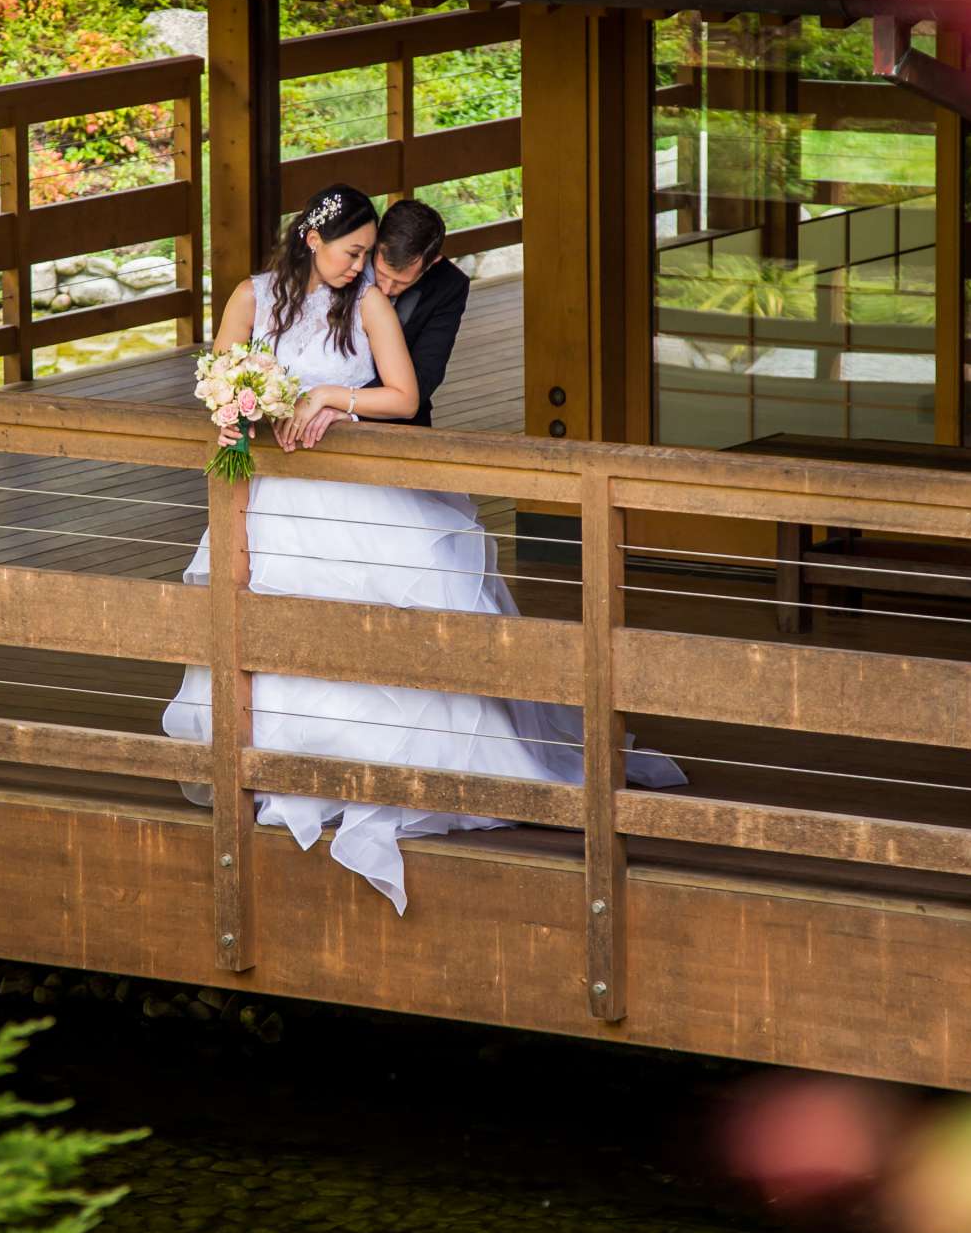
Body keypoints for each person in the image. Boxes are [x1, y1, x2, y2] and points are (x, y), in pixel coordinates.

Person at [161, 182, 685, 911]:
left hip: (360, 487)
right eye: (353, 252)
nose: (362, 267)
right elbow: (219, 383)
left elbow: (403, 397)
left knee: (397, 616)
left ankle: (412, 765)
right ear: (312, 241)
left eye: (370, 254)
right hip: (272, 496)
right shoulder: (250, 297)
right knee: (274, 621)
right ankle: (283, 766)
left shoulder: (369, 305)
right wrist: (244, 406)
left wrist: (326, 398)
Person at [288, 197, 468, 448]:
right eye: (382, 274)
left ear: (432, 262)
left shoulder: (449, 286)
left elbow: (425, 373)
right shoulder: (341, 261)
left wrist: (347, 407)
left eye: (401, 283)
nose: (385, 289)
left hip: (393, 427)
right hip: (304, 418)